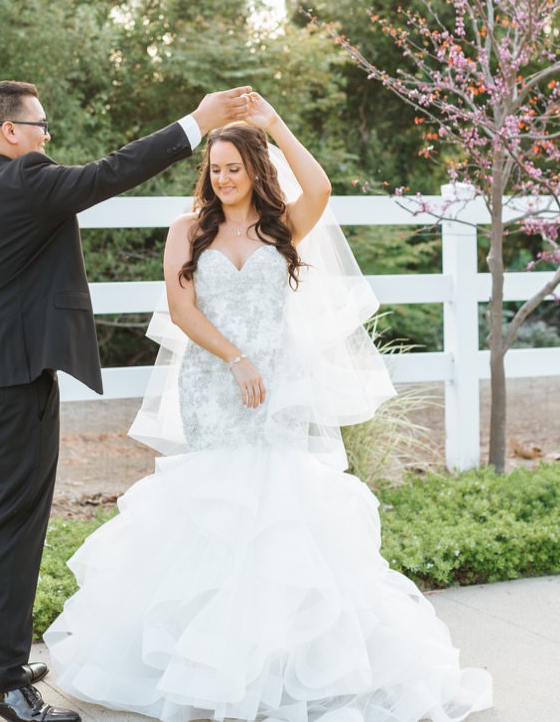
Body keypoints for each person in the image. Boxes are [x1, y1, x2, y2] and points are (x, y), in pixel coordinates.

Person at [43, 94, 493, 721]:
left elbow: (320, 184)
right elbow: (182, 311)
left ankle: (278, 667)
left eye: (234, 167)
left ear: (256, 169)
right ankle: (204, 664)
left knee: (277, 506)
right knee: (216, 509)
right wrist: (234, 358)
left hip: (277, 385)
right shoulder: (186, 230)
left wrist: (276, 123)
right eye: (215, 168)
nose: (223, 178)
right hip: (212, 380)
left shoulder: (284, 228)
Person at [0, 80, 253, 722]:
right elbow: (112, 173)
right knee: (15, 526)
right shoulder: (27, 181)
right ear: (12, 131)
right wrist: (196, 122)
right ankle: (3, 681)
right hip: (13, 383)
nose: (48, 136)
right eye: (41, 125)